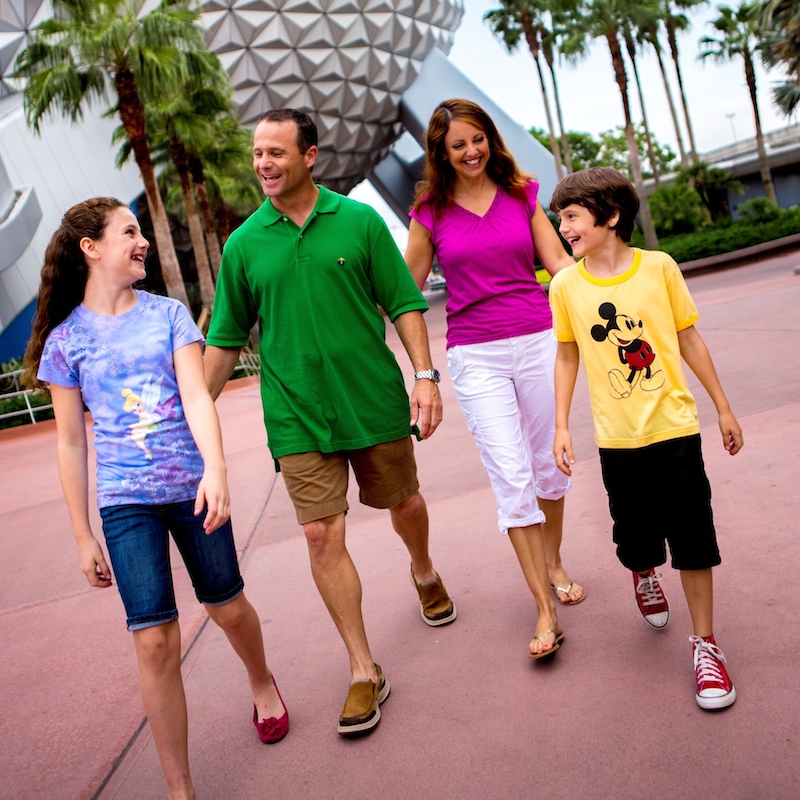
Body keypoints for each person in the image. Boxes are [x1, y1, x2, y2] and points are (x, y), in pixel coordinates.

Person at [23, 198, 289, 800]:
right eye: (130, 232)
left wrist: (215, 471)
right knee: (153, 638)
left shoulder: (168, 315)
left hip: (193, 488)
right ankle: (181, 790)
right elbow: (70, 444)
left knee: (227, 606)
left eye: (141, 230)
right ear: (90, 248)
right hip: (125, 503)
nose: (141, 240)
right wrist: (82, 532)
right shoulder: (66, 342)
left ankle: (261, 681)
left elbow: (197, 397)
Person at [203, 108, 456, 737]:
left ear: (310, 155)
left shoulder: (360, 220)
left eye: (276, 153)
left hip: (371, 399)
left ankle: (423, 569)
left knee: (405, 503)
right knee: (321, 534)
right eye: (257, 153)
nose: (263, 164)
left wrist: (425, 376)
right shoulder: (243, 244)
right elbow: (226, 338)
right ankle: (363, 668)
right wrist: (194, 412)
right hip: (295, 414)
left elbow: (403, 302)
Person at [549, 167, 742, 710]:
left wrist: (722, 408)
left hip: (676, 428)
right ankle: (643, 572)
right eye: (561, 218)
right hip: (616, 439)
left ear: (609, 217)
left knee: (693, 532)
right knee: (634, 536)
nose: (563, 227)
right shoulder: (566, 285)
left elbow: (687, 338)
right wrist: (562, 424)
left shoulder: (659, 268)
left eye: (571, 217)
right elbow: (567, 353)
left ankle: (706, 645)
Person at [404, 98, 583, 661]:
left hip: (537, 341)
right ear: (441, 152)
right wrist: (419, 369)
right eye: (457, 145)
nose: (471, 151)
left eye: (477, 139)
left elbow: (557, 262)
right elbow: (405, 293)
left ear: (489, 139)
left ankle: (552, 560)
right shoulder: (429, 212)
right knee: (511, 476)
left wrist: (615, 295)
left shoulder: (520, 192)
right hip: (475, 355)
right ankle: (544, 609)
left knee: (547, 468)